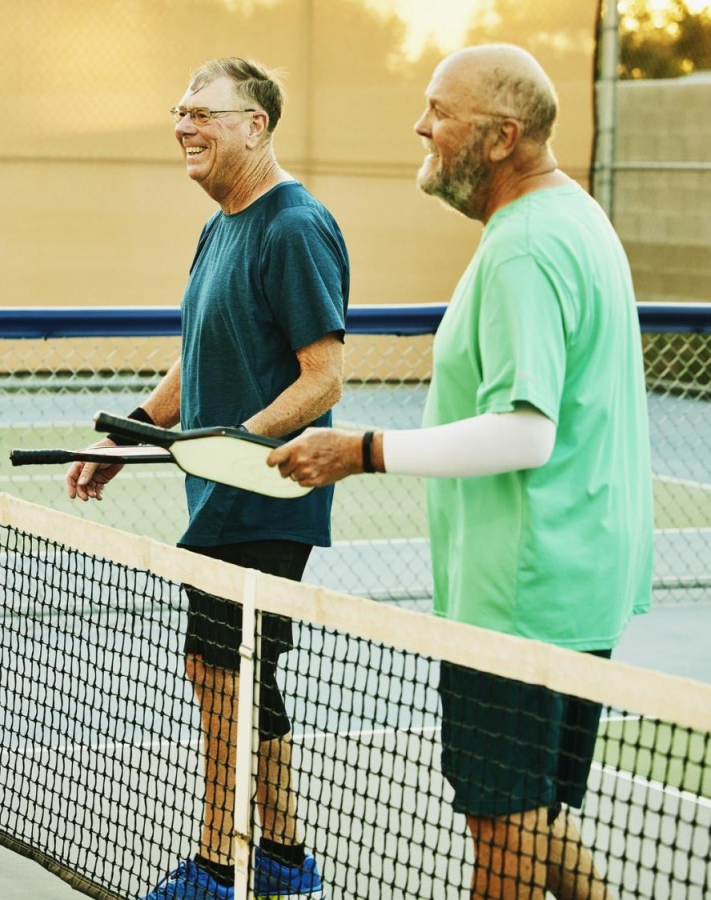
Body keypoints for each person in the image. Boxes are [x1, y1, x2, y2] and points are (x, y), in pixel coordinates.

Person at [268, 44, 653, 900]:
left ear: (499, 137)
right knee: (539, 815)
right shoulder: (576, 217)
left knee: (504, 845)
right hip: (571, 587)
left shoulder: (524, 247)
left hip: (519, 605)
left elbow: (525, 433)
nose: (420, 124)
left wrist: (362, 452)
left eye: (440, 110)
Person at [67, 57, 349, 900]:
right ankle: (285, 857)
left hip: (266, 495)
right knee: (231, 671)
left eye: (204, 113)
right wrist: (134, 432)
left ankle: (220, 865)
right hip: (223, 490)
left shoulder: (295, 226)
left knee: (220, 668)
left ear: (255, 126)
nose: (184, 126)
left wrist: (233, 447)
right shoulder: (221, 224)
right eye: (179, 110)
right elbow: (199, 358)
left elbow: (323, 379)